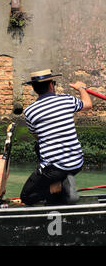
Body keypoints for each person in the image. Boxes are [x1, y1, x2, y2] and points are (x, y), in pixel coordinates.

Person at [20, 69, 92, 205]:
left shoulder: (29, 112)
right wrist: (81, 88)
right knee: (39, 148)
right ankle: (61, 182)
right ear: (51, 85)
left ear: (35, 89)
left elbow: (37, 136)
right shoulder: (66, 100)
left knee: (26, 196)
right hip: (77, 163)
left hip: (55, 170)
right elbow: (88, 104)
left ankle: (57, 187)